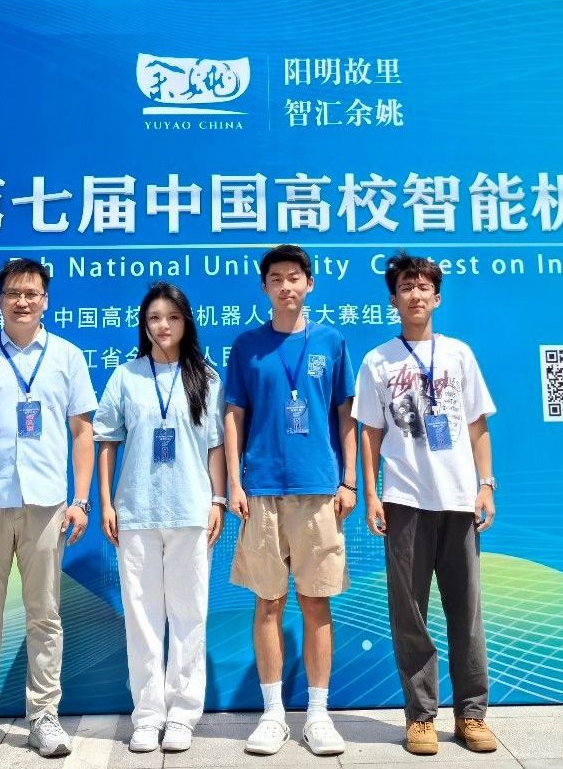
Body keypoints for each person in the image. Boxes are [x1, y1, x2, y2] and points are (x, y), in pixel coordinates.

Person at [0, 258, 98, 761]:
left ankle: (43, 716)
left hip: (46, 504)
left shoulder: (67, 357)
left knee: (44, 615)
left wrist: (81, 500)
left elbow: (82, 432)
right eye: (13, 293)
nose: (22, 301)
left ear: (45, 300)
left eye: (31, 293)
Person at [354, 253, 499, 756]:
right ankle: (420, 716)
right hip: (404, 501)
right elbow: (370, 432)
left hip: (459, 501)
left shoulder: (458, 354)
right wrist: (371, 493)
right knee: (410, 614)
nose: (415, 295)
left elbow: (478, 423)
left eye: (423, 288)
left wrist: (486, 484)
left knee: (467, 613)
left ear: (436, 297)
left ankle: (472, 714)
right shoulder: (377, 361)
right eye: (405, 288)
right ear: (393, 300)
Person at [223, 244, 357, 757]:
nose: (286, 286)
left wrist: (349, 481)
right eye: (276, 278)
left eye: (294, 277)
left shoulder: (331, 341)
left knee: (316, 600)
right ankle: (273, 714)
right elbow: (234, 416)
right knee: (267, 602)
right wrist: (234, 483)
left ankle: (318, 715)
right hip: (261, 489)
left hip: (319, 488)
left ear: (309, 283)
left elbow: (345, 414)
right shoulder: (247, 346)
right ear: (264, 287)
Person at [93, 282, 227, 754]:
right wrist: (106, 502)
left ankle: (184, 714)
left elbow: (215, 445)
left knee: (189, 615)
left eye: (172, 317)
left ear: (185, 322)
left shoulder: (205, 377)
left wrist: (218, 500)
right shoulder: (126, 376)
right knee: (142, 618)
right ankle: (148, 716)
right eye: (154, 318)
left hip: (191, 511)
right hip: (136, 511)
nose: (163, 326)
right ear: (143, 324)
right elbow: (106, 439)